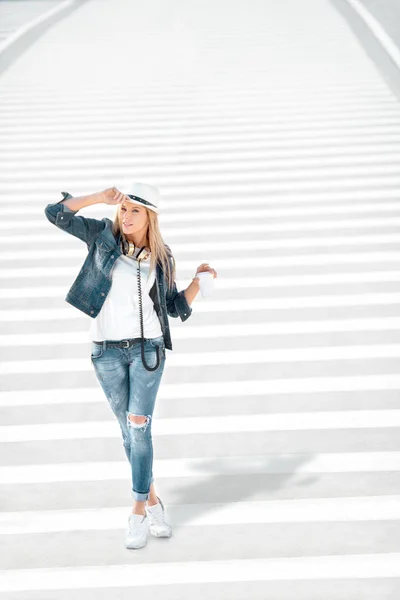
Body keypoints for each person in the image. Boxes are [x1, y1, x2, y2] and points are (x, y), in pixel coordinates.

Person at [44, 181, 218, 550]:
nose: (126, 216)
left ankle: (138, 510)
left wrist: (197, 284)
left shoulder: (162, 256)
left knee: (139, 425)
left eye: (135, 210)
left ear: (150, 217)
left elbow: (171, 306)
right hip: (105, 350)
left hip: (147, 351)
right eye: (124, 209)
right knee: (129, 431)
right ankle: (154, 499)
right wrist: (98, 198)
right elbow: (55, 214)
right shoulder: (101, 236)